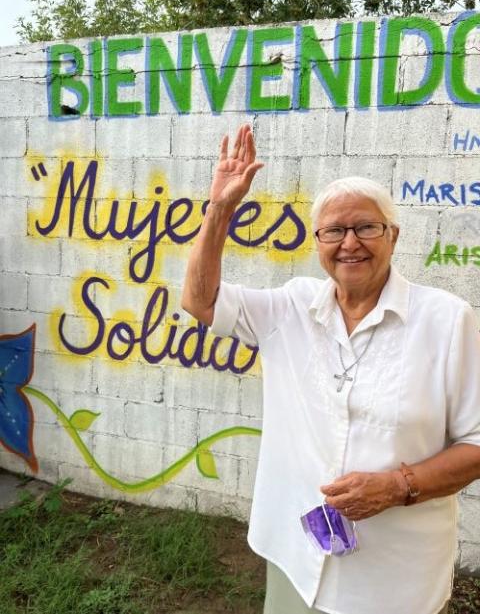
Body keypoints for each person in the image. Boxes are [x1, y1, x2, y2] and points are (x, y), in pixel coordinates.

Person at [181, 123, 480, 614]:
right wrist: (220, 211)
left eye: (366, 227)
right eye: (334, 231)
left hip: (395, 579)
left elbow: (476, 444)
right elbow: (199, 301)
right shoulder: (291, 308)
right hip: (297, 558)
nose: (350, 243)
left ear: (393, 235)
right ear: (318, 241)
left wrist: (397, 487)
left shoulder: (446, 320)